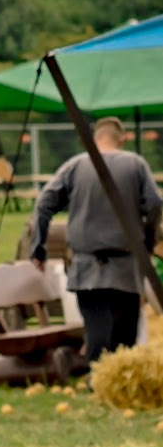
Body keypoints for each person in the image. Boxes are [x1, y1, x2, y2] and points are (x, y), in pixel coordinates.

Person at [30, 117, 162, 362]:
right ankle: (120, 385)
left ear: (93, 139)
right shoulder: (135, 164)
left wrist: (38, 249)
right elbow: (155, 204)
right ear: (121, 138)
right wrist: (147, 242)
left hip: (86, 266)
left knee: (97, 332)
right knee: (125, 338)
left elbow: (43, 204)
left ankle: (98, 383)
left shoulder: (75, 165)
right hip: (126, 265)